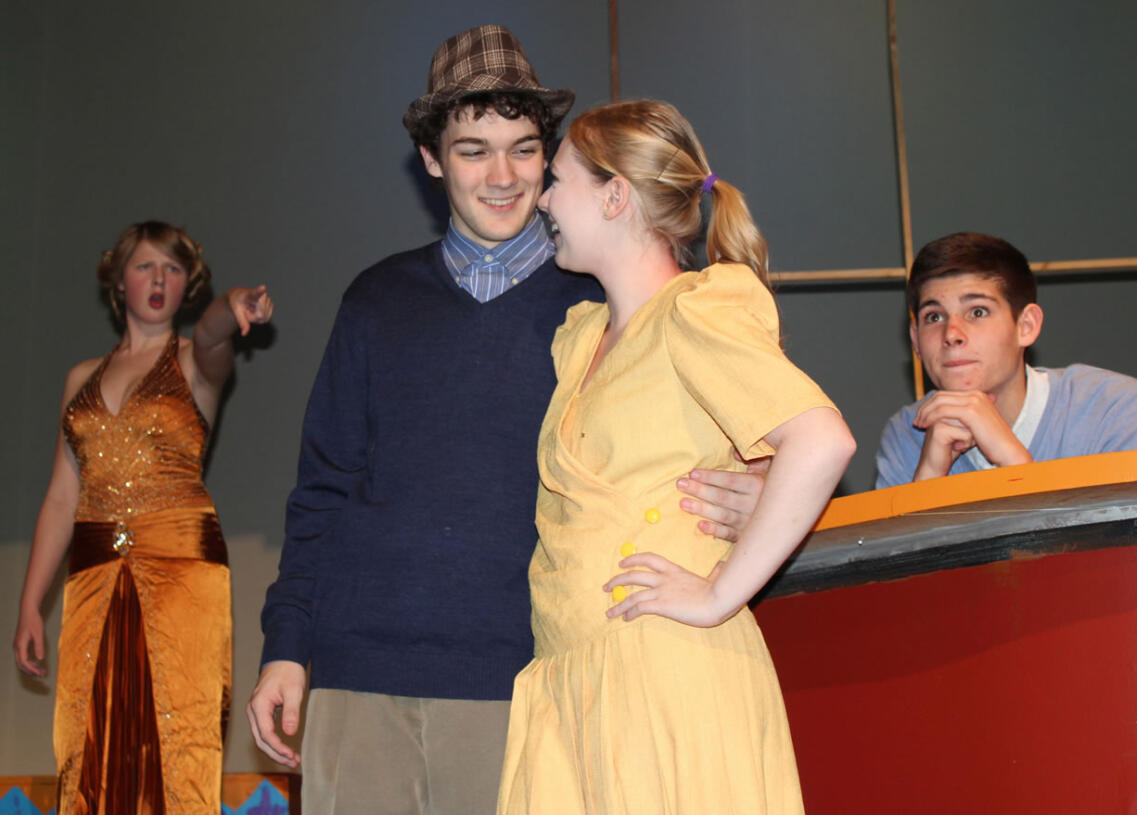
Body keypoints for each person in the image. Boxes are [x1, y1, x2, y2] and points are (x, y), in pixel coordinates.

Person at [246, 26, 765, 815]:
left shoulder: (608, 304)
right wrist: (286, 645)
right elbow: (321, 490)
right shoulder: (373, 301)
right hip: (354, 677)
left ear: (552, 162)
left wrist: (755, 487)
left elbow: (766, 427)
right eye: (472, 149)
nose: (501, 175)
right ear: (430, 160)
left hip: (525, 682)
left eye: (523, 149)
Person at [495, 99, 856, 814]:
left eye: (558, 178)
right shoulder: (582, 336)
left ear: (614, 194)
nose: (543, 199)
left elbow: (822, 439)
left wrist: (721, 589)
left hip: (662, 667)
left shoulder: (694, 309)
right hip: (573, 675)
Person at [12, 220, 274, 813]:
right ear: (118, 280)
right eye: (145, 266)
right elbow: (60, 496)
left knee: (177, 738)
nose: (159, 279)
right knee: (88, 741)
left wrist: (231, 307)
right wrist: (31, 603)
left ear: (189, 285)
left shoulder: (194, 363)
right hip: (93, 576)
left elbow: (212, 339)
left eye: (174, 269)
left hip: (181, 568)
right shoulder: (80, 378)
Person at [875, 231, 1137, 488]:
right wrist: (928, 479)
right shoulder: (908, 434)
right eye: (934, 317)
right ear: (915, 340)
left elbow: (1122, 550)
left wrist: (1010, 458)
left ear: (1025, 326)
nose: (951, 334)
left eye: (977, 312)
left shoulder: (1115, 410)